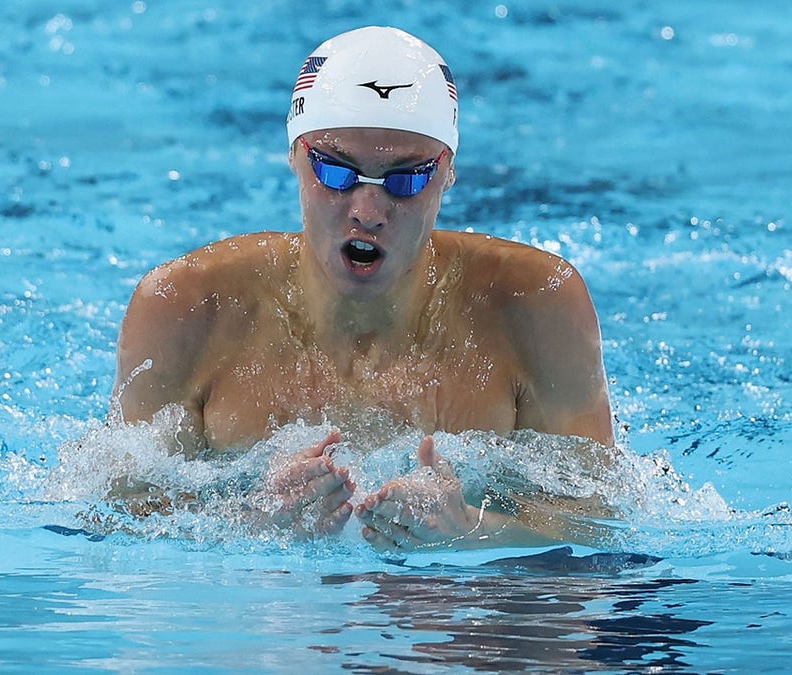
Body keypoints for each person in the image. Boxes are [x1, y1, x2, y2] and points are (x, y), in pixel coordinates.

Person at [112, 26, 614, 550]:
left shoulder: (535, 304)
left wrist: (471, 530)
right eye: (335, 171)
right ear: (295, 156)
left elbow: (601, 525)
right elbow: (115, 519)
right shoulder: (186, 306)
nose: (368, 213)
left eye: (407, 180)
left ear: (447, 173)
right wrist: (250, 522)